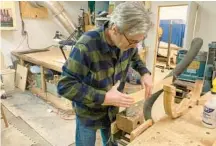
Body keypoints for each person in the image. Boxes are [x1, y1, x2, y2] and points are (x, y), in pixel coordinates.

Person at [57, 2, 153, 146]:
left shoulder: (128, 43)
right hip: (88, 113)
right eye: (133, 42)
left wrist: (144, 73)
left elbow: (135, 57)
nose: (134, 46)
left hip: (112, 112)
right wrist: (104, 97)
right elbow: (65, 85)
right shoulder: (87, 44)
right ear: (115, 29)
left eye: (138, 42)